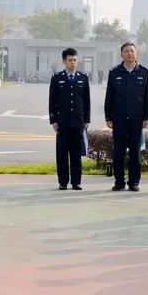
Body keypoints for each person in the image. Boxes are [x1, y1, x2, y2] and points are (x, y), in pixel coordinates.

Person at [104, 42, 148, 192]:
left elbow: (147, 97)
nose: (129, 54)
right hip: (119, 118)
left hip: (137, 119)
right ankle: (119, 182)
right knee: (118, 150)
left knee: (135, 151)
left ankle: (134, 182)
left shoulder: (144, 72)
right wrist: (108, 117)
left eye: (132, 51)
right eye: (126, 51)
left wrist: (146, 116)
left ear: (136, 54)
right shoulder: (114, 72)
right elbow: (109, 96)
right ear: (121, 54)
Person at [48, 48, 91, 190]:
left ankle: (76, 182)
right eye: (70, 60)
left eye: (75, 60)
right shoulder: (57, 78)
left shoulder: (83, 78)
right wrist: (53, 120)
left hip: (78, 122)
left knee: (76, 154)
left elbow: (87, 101)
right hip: (62, 123)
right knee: (61, 154)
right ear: (64, 61)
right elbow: (52, 101)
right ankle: (63, 182)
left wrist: (86, 120)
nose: (73, 63)